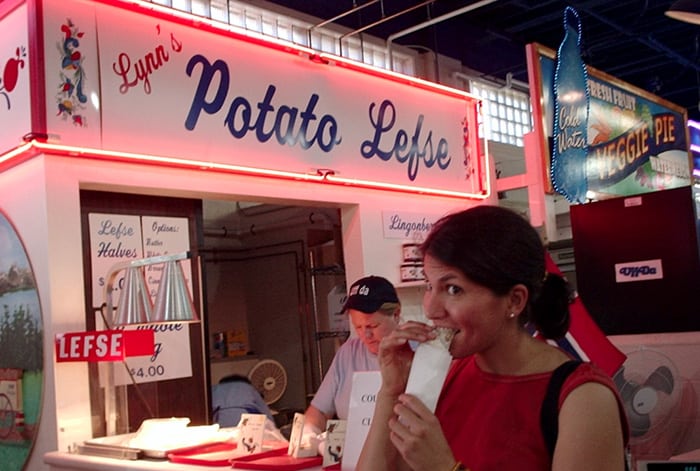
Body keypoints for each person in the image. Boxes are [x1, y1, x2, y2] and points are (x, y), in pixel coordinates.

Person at [358, 205, 629, 471]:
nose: (431, 309)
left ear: (514, 300)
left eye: (453, 289)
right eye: (430, 286)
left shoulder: (583, 398)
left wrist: (445, 468)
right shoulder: (448, 376)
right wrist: (391, 391)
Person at [303, 275, 401, 434]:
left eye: (373, 326)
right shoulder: (348, 353)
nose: (365, 335)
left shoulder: (416, 352)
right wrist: (309, 433)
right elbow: (319, 411)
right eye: (358, 327)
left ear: (396, 314)